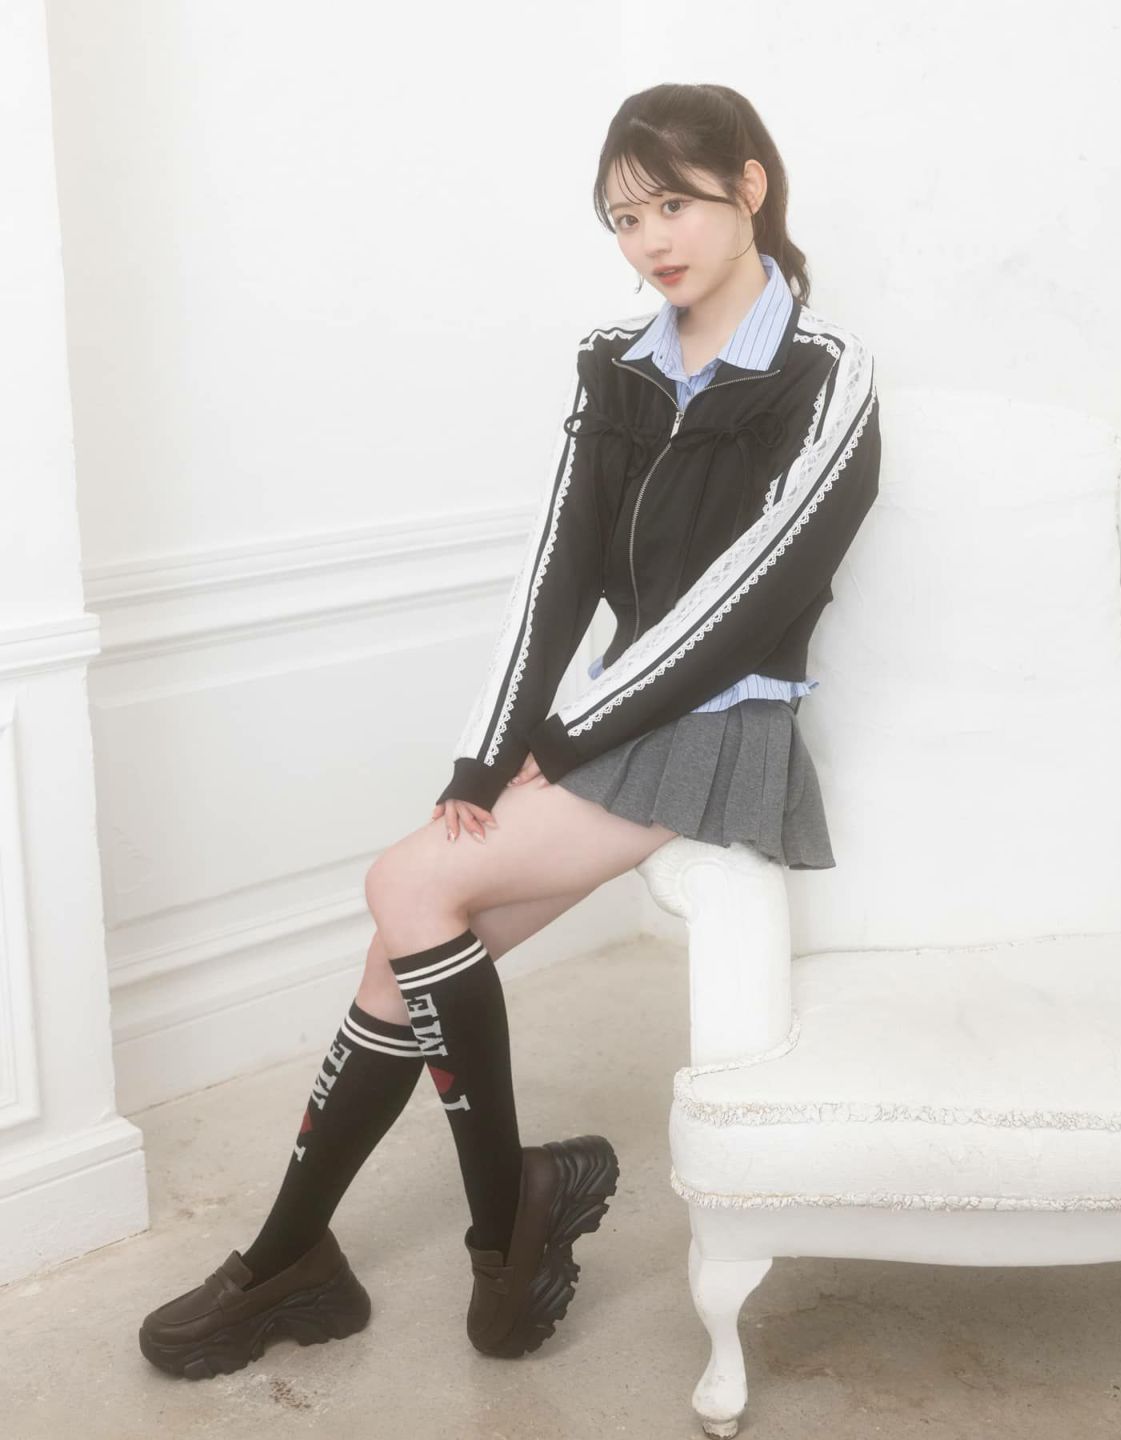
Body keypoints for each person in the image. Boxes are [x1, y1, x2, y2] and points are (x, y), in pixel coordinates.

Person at [138, 80, 882, 1378]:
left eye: (673, 204)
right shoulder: (619, 362)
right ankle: (303, 1255)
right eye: (624, 218)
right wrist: (490, 754)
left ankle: (496, 1219)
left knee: (403, 889)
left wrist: (565, 733)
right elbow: (561, 568)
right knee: (405, 947)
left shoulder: (828, 372)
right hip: (613, 722)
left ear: (751, 186)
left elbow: (749, 600)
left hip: (720, 728)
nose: (650, 240)